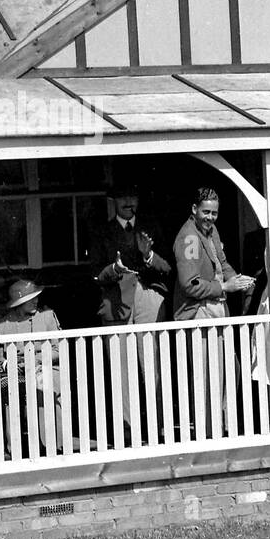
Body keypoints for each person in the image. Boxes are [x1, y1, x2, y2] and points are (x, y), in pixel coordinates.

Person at [90, 183, 171, 439]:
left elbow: (168, 267)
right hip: (117, 299)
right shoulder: (101, 231)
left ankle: (157, 425)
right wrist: (113, 269)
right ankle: (127, 428)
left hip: (148, 297)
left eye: (132, 196)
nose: (128, 202)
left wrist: (148, 256)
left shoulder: (152, 227)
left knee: (153, 362)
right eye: (123, 196)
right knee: (121, 364)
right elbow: (95, 274)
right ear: (113, 200)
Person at [0, 278, 67, 457]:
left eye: (36, 297)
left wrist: (36, 360)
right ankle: (16, 449)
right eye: (30, 298)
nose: (36, 301)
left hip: (45, 366)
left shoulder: (47, 317)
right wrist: (7, 363)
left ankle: (51, 446)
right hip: (16, 371)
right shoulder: (2, 326)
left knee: (43, 384)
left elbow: (58, 350)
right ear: (19, 303)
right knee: (9, 389)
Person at [173, 187, 255, 320]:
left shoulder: (212, 229)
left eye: (214, 213)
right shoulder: (190, 238)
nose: (210, 218)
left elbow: (221, 263)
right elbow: (189, 284)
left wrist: (239, 281)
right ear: (194, 209)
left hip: (217, 306)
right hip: (198, 311)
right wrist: (224, 286)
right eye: (206, 212)